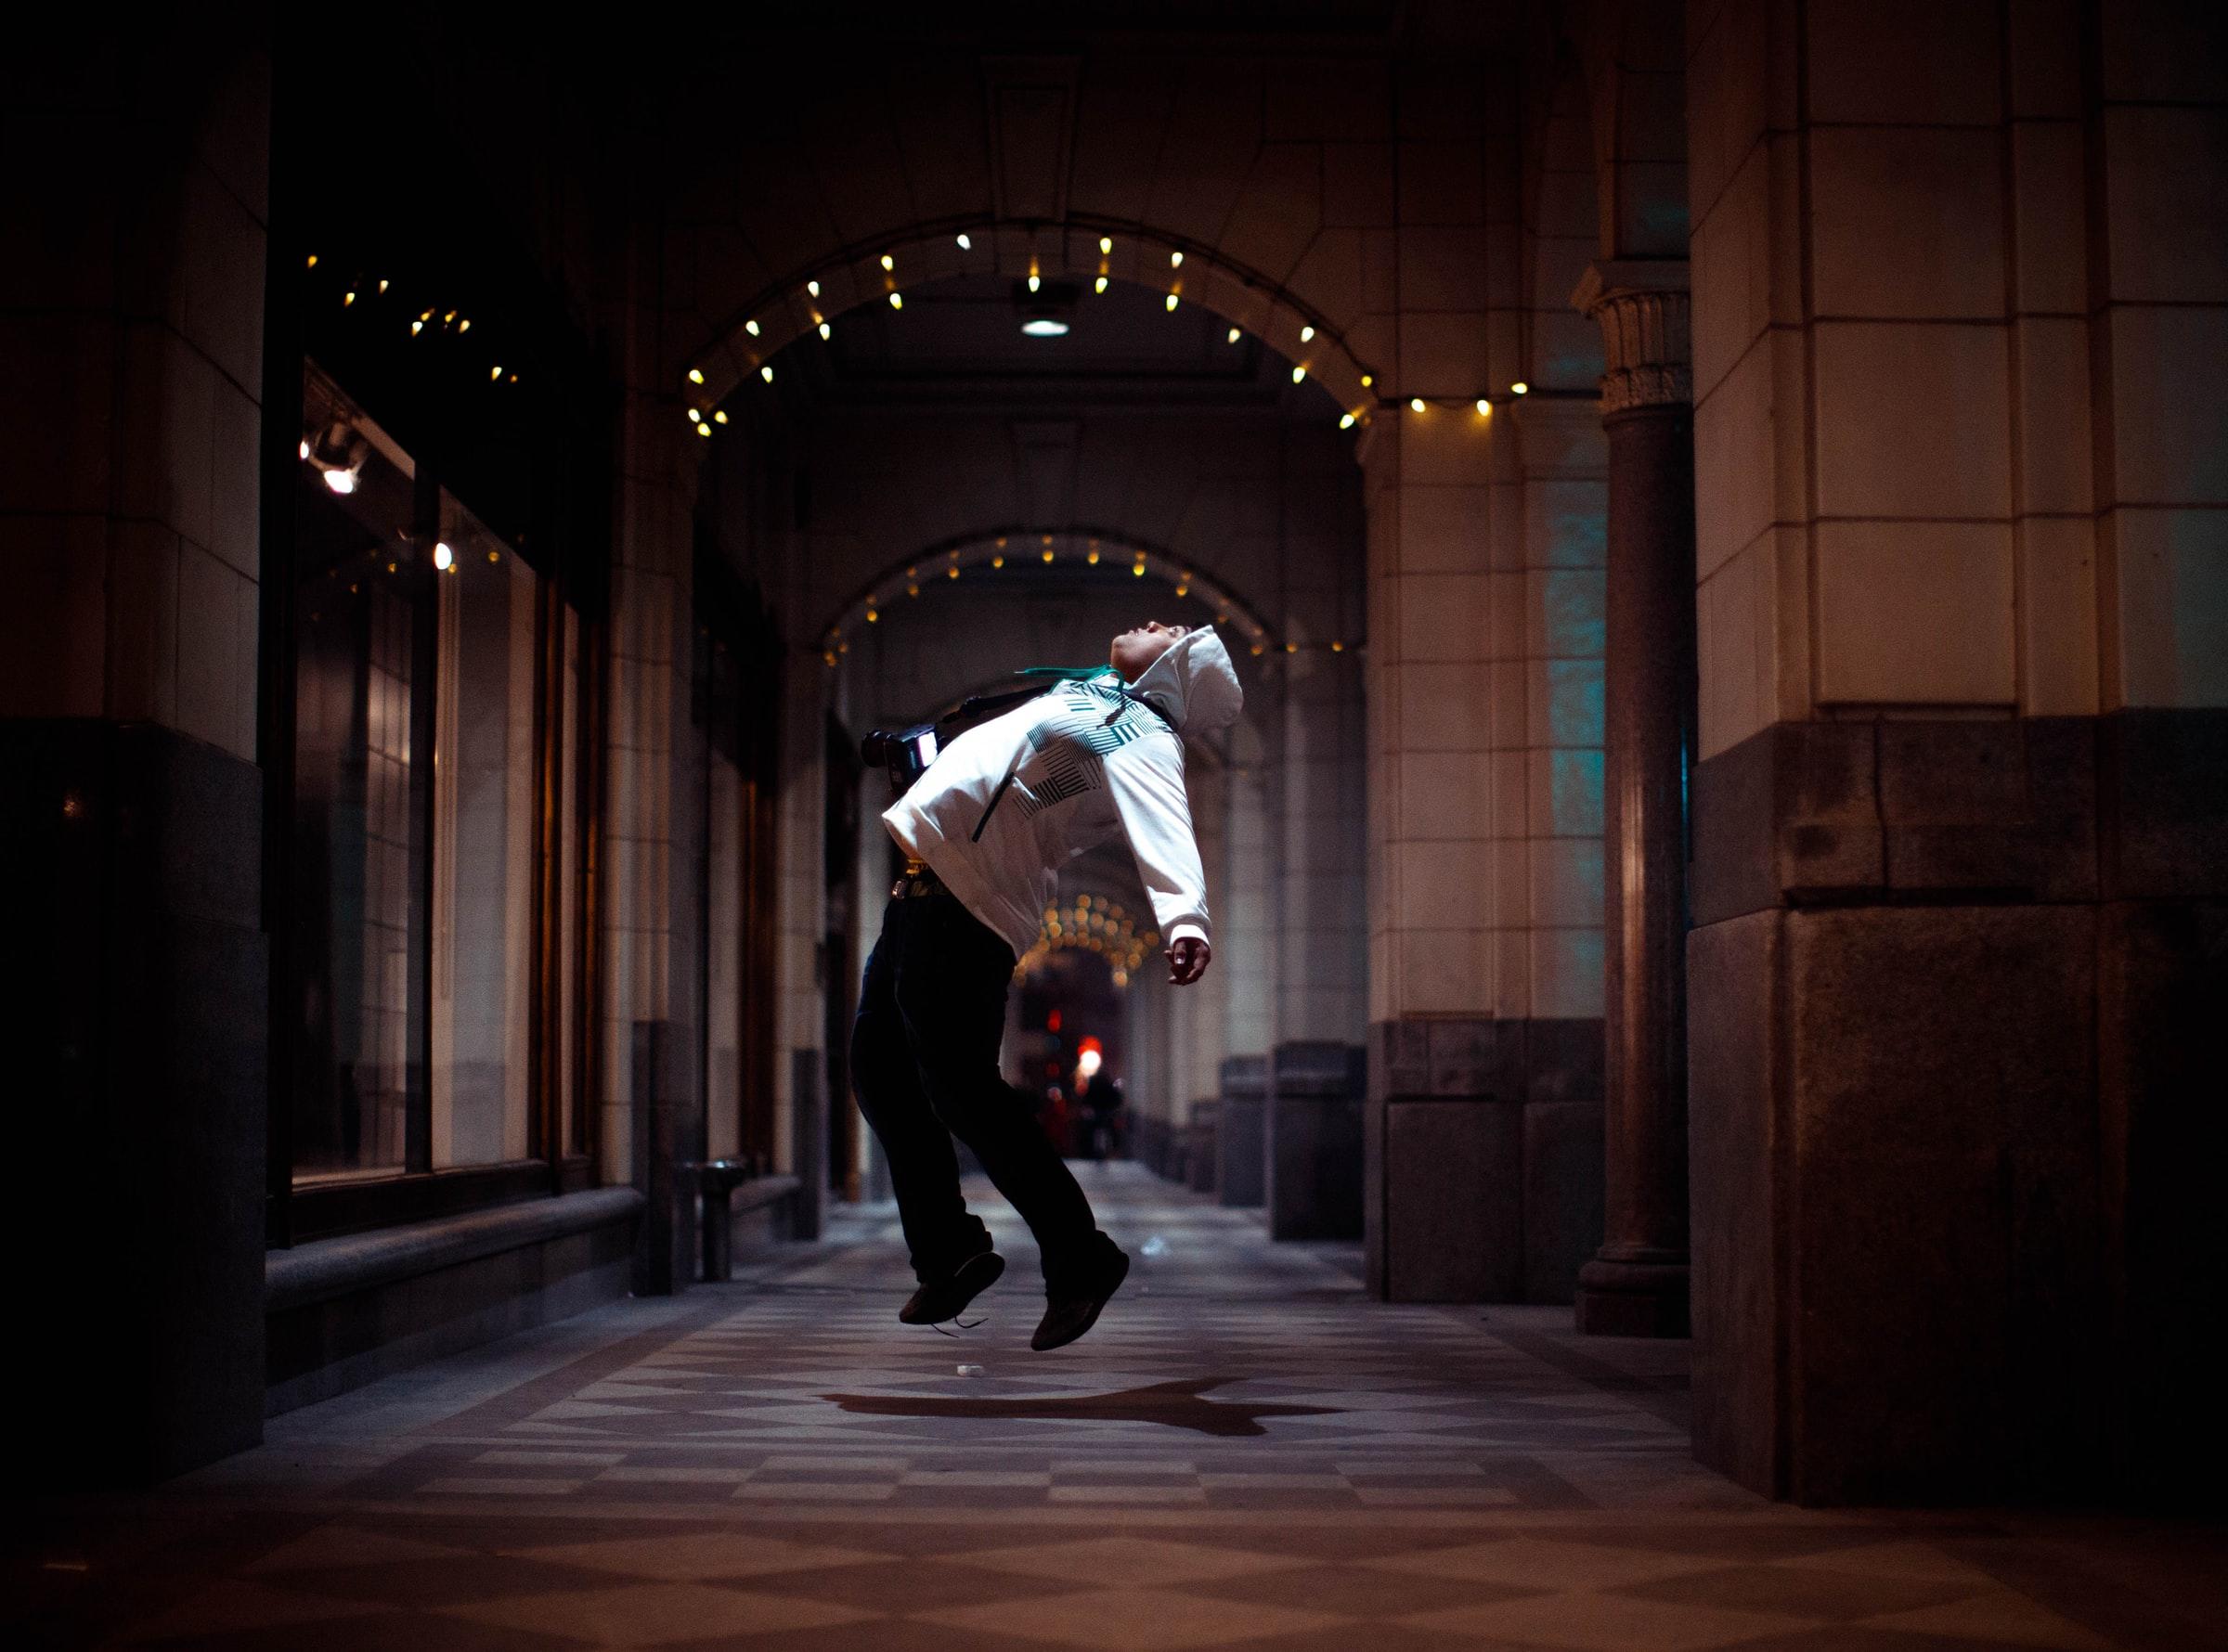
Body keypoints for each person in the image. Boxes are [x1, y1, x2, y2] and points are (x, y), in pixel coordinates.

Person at [851, 622, 1241, 1351]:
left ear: (1176, 671)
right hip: (923, 895)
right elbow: (1009, 784)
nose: (1153, 624)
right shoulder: (1084, 700)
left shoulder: (1139, 726)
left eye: (1171, 632)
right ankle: (952, 1251)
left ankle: (1076, 1258)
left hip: (966, 907)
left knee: (961, 1091)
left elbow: (1164, 811)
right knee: (881, 1073)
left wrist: (1185, 918)